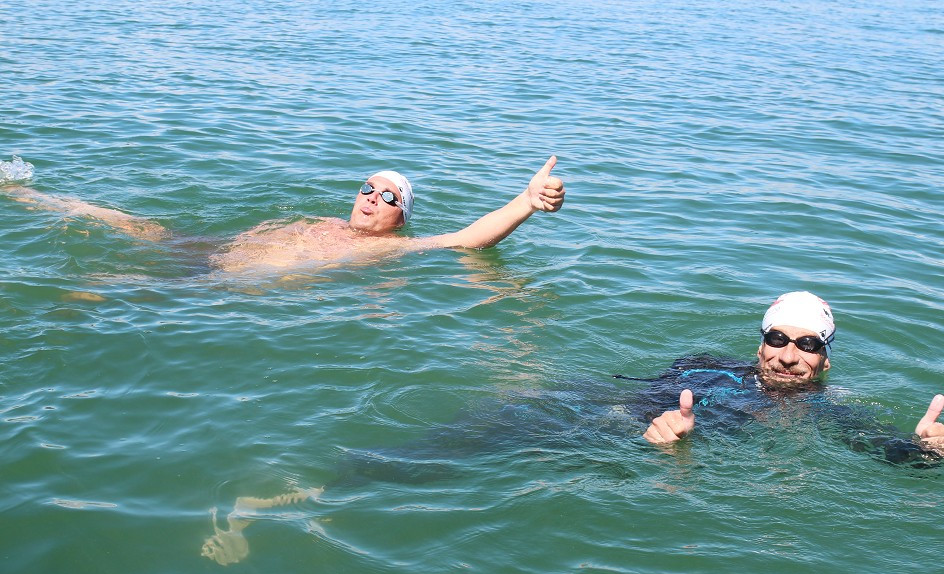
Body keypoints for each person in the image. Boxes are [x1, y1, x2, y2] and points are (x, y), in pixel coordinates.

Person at [2, 156, 566, 272]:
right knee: (111, 218)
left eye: (388, 197)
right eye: (368, 187)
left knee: (105, 283)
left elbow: (468, 240)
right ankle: (22, 191)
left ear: (402, 217)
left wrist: (525, 202)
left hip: (215, 286)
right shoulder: (325, 224)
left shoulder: (386, 248)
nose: (372, 198)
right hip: (203, 249)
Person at [636, 291, 944, 461]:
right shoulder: (702, 372)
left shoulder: (834, 410)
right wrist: (658, 429)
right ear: (759, 349)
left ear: (825, 362)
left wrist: (928, 452)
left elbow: (884, 449)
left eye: (808, 344)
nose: (788, 357)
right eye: (776, 340)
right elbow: (630, 410)